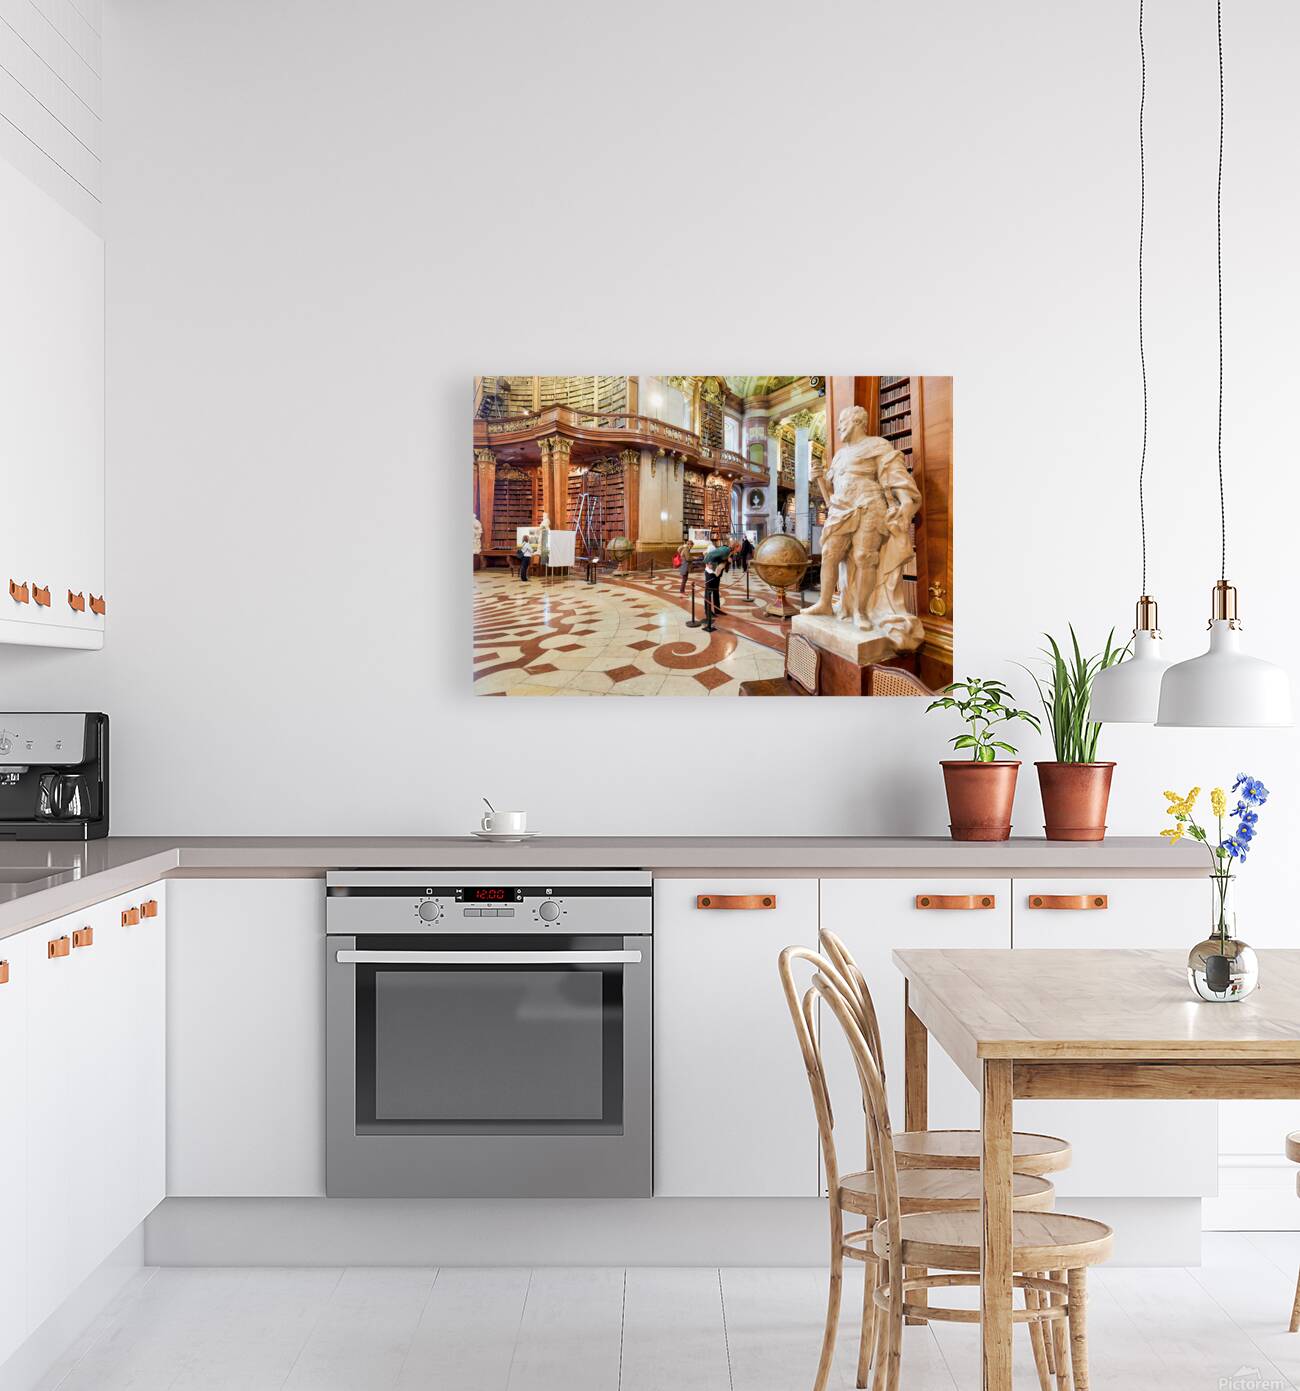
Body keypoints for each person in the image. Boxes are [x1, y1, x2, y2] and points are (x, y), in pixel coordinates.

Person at [700, 539, 738, 631]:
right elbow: (709, 555)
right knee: (708, 592)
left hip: (717, 573)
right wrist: (709, 564)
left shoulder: (730, 552)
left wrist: (729, 561)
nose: (739, 550)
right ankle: (708, 612)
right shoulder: (725, 550)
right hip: (710, 572)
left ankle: (717, 610)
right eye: (738, 547)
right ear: (734, 546)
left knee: (716, 591)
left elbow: (725, 563)